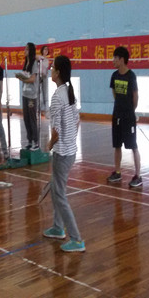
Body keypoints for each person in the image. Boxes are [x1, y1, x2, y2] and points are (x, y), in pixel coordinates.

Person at [44, 55, 85, 252]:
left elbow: (56, 132)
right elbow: (77, 122)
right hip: (71, 152)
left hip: (62, 154)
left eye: (52, 68)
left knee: (59, 195)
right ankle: (57, 227)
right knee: (56, 190)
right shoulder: (69, 92)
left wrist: (49, 145)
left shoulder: (56, 97)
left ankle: (76, 239)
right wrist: (69, 141)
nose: (50, 70)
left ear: (58, 72)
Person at [107, 47, 143, 188]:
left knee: (133, 146)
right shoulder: (114, 75)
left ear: (122, 59)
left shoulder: (131, 76)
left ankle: (138, 175)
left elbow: (135, 97)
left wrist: (130, 111)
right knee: (117, 145)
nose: (113, 61)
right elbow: (115, 94)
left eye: (115, 58)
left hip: (129, 116)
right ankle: (117, 172)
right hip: (117, 115)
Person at [16, 42, 40, 150]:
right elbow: (26, 77)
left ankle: (36, 142)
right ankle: (29, 141)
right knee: (26, 118)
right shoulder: (26, 63)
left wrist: (22, 79)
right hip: (24, 93)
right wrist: (21, 77)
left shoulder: (34, 63)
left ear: (30, 51)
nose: (24, 51)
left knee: (32, 118)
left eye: (26, 49)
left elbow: (32, 79)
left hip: (31, 95)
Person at [39, 45, 51, 115]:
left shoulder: (47, 60)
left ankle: (46, 110)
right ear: (42, 50)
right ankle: (39, 109)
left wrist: (45, 74)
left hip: (45, 77)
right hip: (39, 77)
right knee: (39, 93)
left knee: (45, 93)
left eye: (47, 50)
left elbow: (46, 69)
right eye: (44, 49)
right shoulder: (40, 58)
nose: (46, 51)